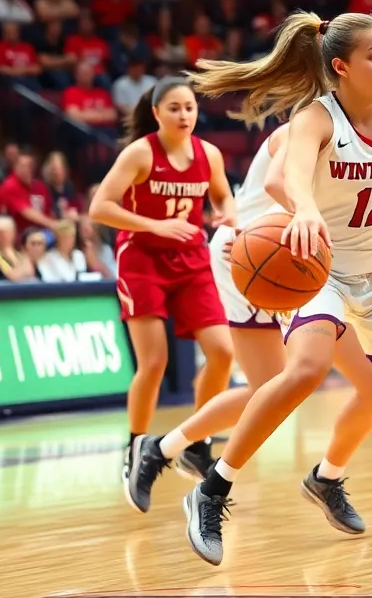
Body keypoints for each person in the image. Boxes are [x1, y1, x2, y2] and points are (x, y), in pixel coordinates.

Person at [178, 11, 372, 566]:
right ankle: (211, 489)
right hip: (320, 268)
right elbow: (290, 175)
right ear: (340, 66)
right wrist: (307, 208)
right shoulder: (315, 118)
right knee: (306, 369)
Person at [123, 121, 372, 536]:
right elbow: (275, 184)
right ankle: (163, 450)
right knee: (271, 387)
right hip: (256, 255)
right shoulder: (308, 125)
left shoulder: (369, 132)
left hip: (305, 260)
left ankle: (324, 478)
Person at [87, 78, 238, 502]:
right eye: (174, 108)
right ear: (156, 113)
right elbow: (100, 207)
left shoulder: (208, 154)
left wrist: (227, 218)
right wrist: (155, 225)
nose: (184, 115)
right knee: (154, 361)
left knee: (224, 352)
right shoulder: (139, 153)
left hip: (190, 260)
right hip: (142, 259)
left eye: (189, 107)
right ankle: (136, 446)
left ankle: (198, 443)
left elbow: (224, 198)